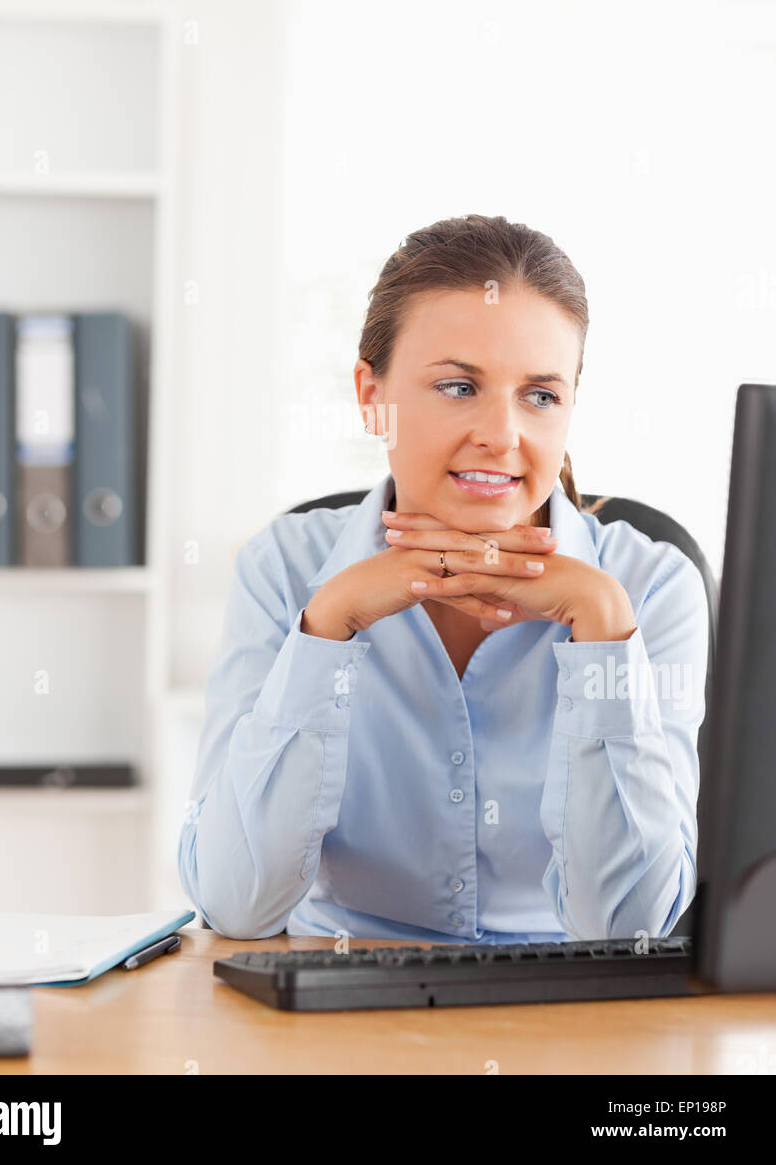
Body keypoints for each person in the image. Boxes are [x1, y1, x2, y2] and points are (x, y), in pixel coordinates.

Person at [177, 214, 709, 944]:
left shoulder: (648, 589)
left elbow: (630, 927)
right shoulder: (286, 571)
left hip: (570, 1010)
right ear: (372, 396)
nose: (502, 434)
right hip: (339, 1003)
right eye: (459, 387)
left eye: (541, 396)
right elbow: (236, 904)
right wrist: (327, 626)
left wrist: (602, 626)